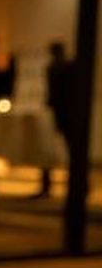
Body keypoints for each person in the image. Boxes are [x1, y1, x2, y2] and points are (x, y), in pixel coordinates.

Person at [37, 41, 76, 198]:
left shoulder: (63, 69)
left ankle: (76, 185)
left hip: (64, 113)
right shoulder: (57, 69)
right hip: (60, 113)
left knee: (68, 151)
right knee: (48, 150)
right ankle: (48, 185)